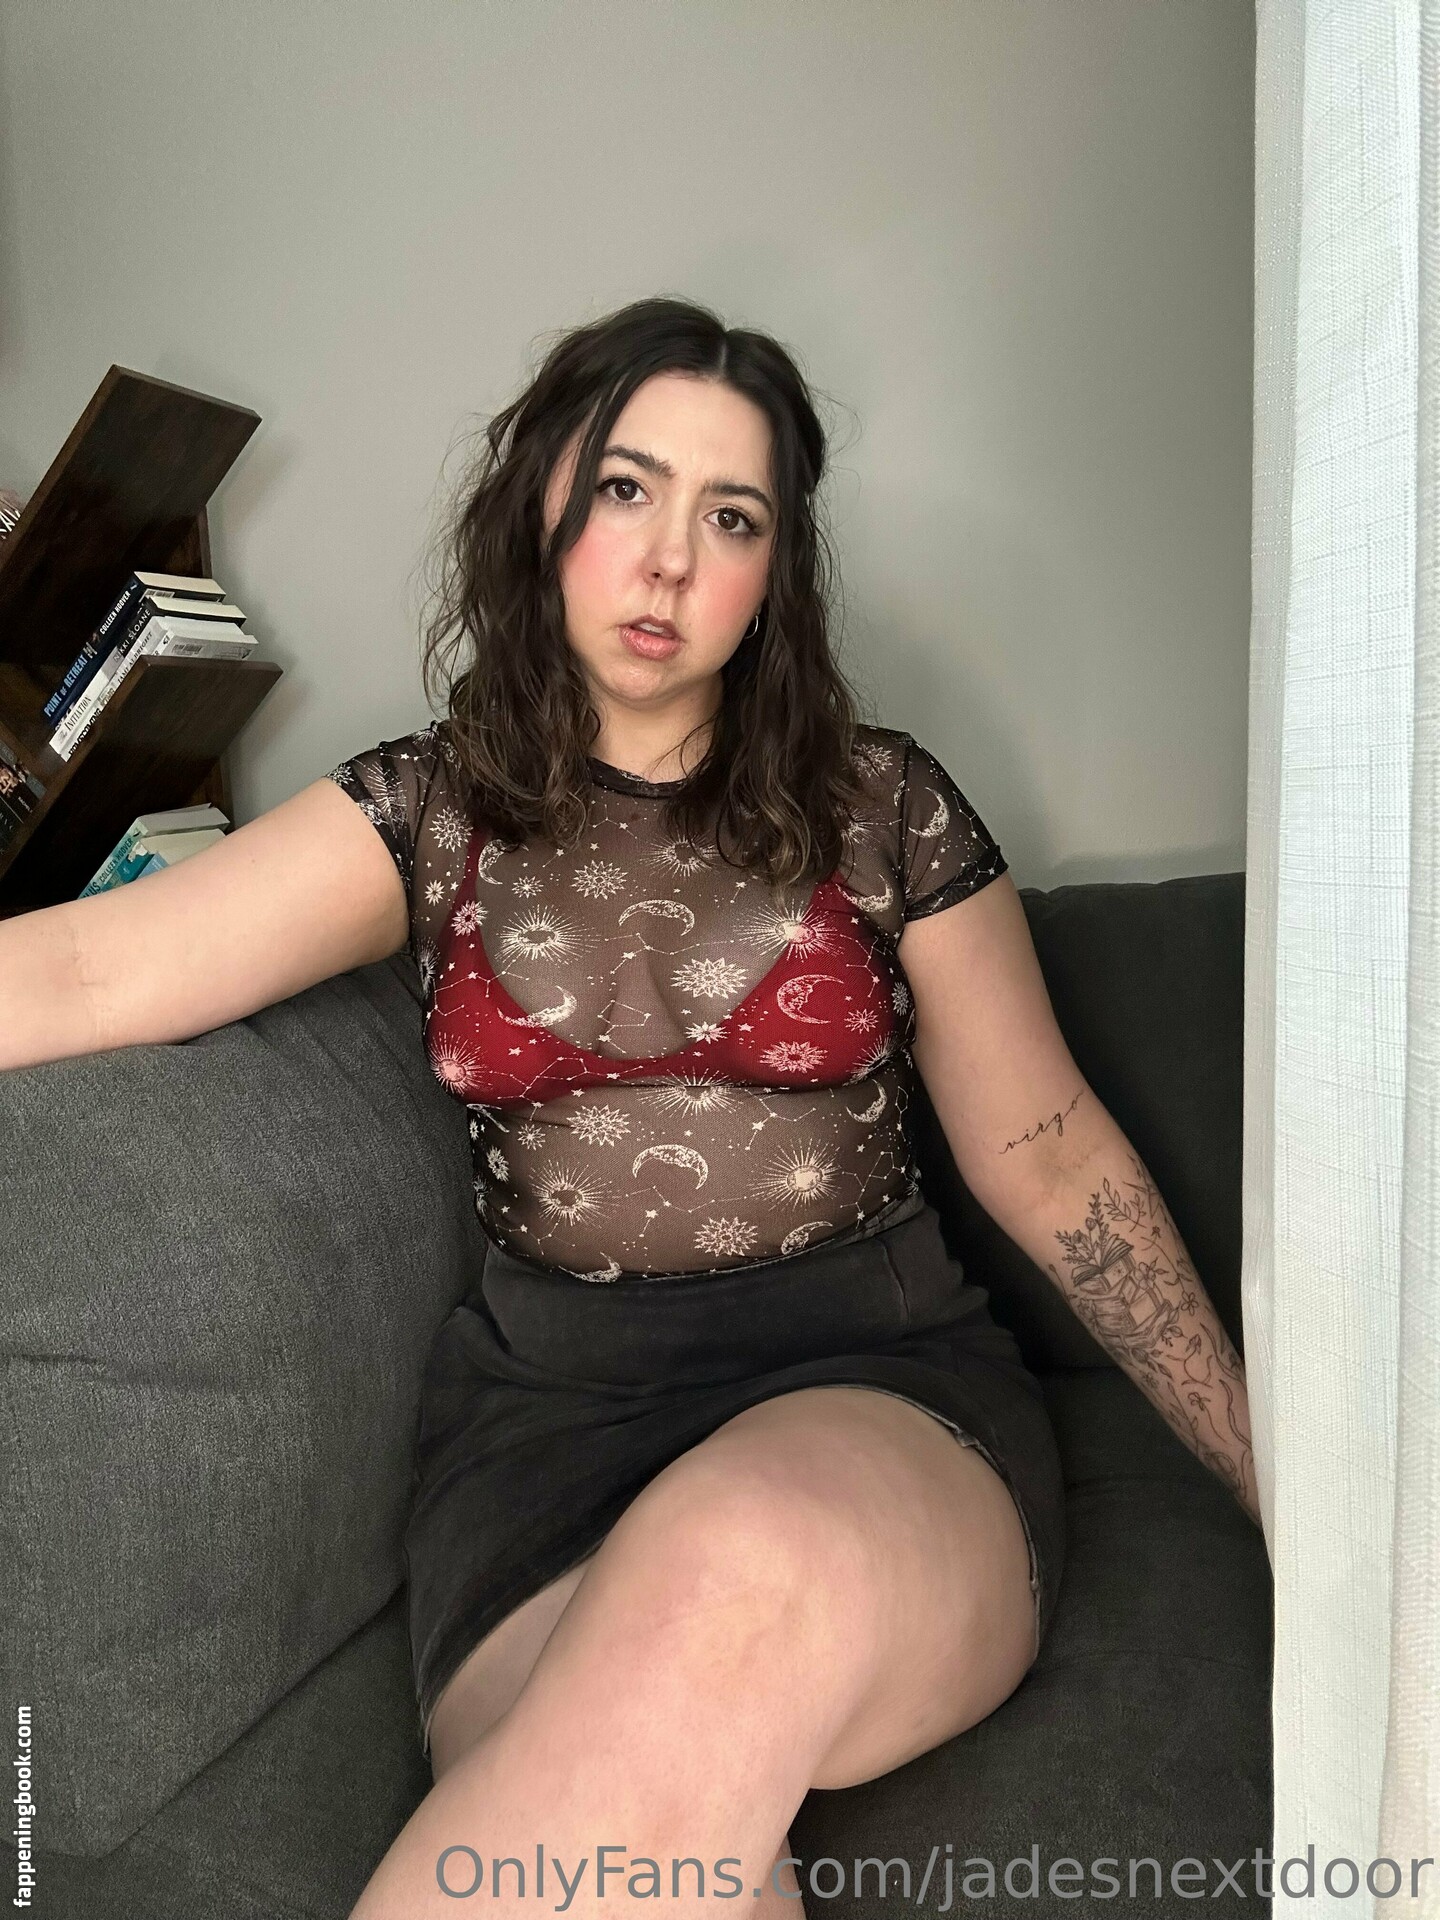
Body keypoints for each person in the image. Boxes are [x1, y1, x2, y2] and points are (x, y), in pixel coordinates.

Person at [1, 296, 1257, 1920]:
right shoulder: (427, 811)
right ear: (544, 506)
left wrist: (1269, 1474)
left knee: (728, 1577)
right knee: (653, 1863)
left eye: (730, 518)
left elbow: (1049, 1149)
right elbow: (89, 974)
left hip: (875, 1400)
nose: (668, 561)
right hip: (545, 1446)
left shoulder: (884, 804)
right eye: (625, 489)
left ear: (775, 572)